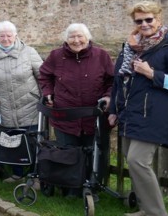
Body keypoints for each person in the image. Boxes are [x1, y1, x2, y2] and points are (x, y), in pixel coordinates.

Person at [108, 1, 168, 216]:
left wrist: (152, 74)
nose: (144, 24)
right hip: (129, 113)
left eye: (148, 19)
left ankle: (158, 213)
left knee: (137, 161)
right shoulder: (130, 46)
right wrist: (114, 111)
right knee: (133, 161)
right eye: (139, 21)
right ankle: (146, 208)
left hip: (153, 115)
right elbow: (119, 80)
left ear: (158, 18)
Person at [38, 23, 113, 196]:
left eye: (80, 36)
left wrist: (108, 96)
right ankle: (71, 188)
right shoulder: (56, 56)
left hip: (93, 115)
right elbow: (44, 75)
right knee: (68, 153)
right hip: (65, 117)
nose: (76, 40)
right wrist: (48, 92)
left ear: (88, 38)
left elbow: (112, 80)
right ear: (66, 39)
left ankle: (93, 187)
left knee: (94, 153)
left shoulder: (101, 56)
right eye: (72, 36)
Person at [0, 21, 43, 182]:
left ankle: (35, 175)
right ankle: (17, 173)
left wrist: (44, 97)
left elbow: (42, 76)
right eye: (2, 36)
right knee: (12, 140)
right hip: (4, 106)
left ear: (15, 35)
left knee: (33, 140)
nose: (6, 39)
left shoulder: (29, 52)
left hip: (29, 104)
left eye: (9, 35)